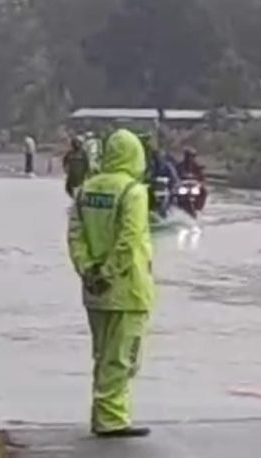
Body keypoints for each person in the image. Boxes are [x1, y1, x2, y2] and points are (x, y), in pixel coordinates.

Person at [67, 129, 155, 438]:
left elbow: (75, 238)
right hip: (128, 289)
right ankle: (112, 418)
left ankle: (103, 412)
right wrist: (108, 272)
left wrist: (89, 270)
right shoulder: (134, 192)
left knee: (103, 354)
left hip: (94, 291)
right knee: (124, 357)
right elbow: (129, 241)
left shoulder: (84, 191)